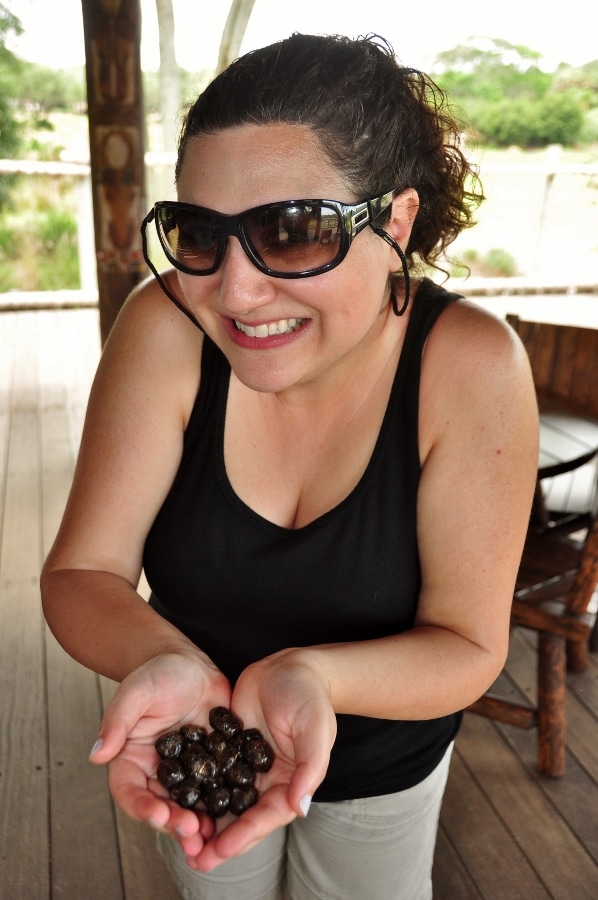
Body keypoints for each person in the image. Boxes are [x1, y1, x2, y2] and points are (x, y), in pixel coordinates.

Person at [41, 32, 539, 900]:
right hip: (198, 751)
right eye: (198, 233)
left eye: (294, 231)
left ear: (398, 221)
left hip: (384, 764)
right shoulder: (164, 328)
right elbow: (83, 571)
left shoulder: (470, 367)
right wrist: (173, 666)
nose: (233, 291)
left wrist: (319, 678)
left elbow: (468, 644)